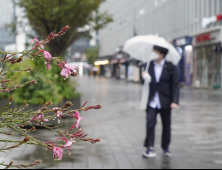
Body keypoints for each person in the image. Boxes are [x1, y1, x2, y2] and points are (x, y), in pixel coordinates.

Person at [141, 45, 179, 158]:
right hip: (152, 100)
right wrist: (144, 77)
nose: (153, 53)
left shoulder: (170, 66)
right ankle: (150, 148)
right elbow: (143, 84)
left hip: (166, 100)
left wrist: (175, 101)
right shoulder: (148, 65)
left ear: (162, 54)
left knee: (166, 125)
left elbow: (175, 85)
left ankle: (166, 147)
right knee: (150, 124)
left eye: (156, 52)